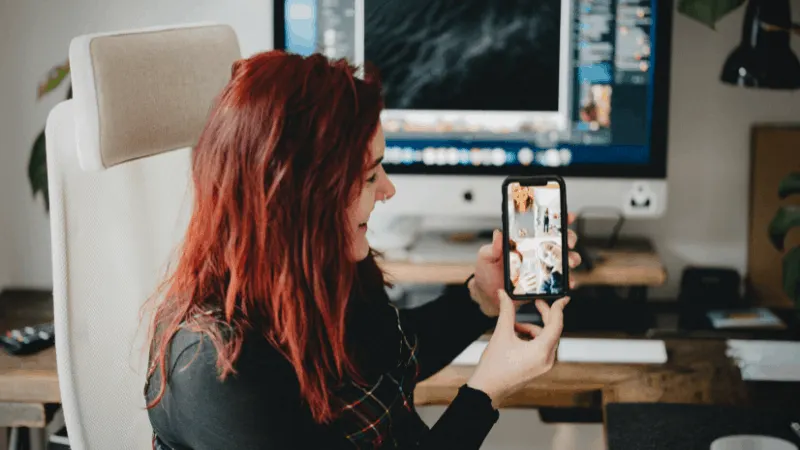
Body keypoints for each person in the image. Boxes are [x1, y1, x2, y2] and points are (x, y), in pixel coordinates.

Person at [143, 50, 581, 450]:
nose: (388, 190)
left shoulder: (319, 266)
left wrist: (480, 298)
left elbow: (388, 359)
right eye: (370, 176)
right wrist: (485, 392)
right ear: (305, 196)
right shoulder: (222, 371)